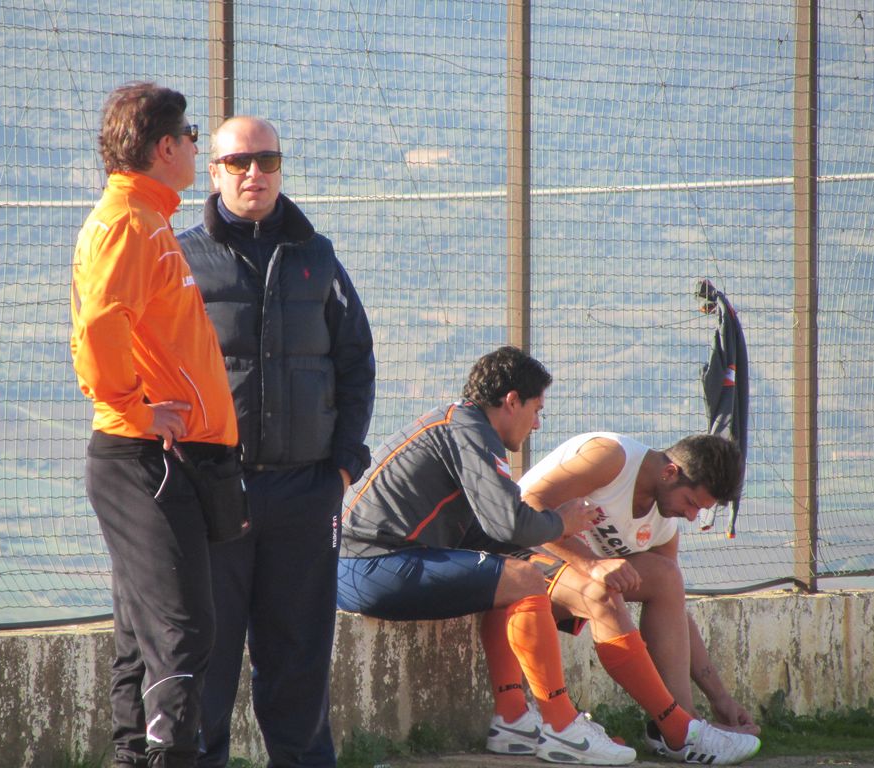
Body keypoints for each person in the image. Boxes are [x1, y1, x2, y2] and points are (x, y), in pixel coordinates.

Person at [178, 116, 375, 768]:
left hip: (305, 493)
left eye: (267, 160)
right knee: (206, 658)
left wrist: (342, 466)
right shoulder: (181, 258)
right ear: (214, 172)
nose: (254, 173)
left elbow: (356, 361)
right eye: (238, 162)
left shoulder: (317, 257)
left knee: (299, 659)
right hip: (213, 490)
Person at [337, 346, 637, 767]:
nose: (537, 424)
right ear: (512, 401)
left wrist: (551, 556)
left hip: (362, 564)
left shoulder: (462, 423)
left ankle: (513, 722)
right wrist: (562, 522)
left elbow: (487, 531)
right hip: (372, 566)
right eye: (536, 410)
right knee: (524, 579)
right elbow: (507, 523)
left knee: (517, 574)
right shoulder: (471, 430)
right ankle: (562, 727)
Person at [70, 82, 238, 768]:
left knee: (144, 637)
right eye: (192, 136)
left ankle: (134, 758)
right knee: (182, 630)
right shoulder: (129, 223)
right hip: (144, 455)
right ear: (165, 147)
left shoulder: (149, 218)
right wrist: (135, 406)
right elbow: (99, 326)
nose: (197, 146)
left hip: (167, 454)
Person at [510, 432, 762, 765]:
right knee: (601, 591)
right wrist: (593, 564)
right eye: (690, 503)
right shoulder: (610, 457)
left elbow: (673, 612)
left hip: (564, 577)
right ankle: (675, 728)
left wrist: (720, 698)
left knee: (667, 577)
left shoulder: (663, 525)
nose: (690, 517)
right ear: (669, 472)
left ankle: (682, 726)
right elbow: (525, 507)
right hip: (514, 556)